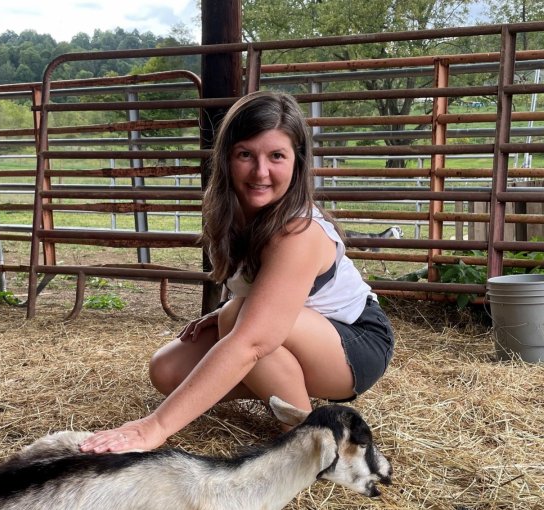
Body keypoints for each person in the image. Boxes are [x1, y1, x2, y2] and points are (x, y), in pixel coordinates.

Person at [80, 90, 394, 454]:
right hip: (300, 331)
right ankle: (280, 387)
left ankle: (310, 441)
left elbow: (253, 340)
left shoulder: (299, 232)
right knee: (167, 370)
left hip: (356, 344)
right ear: (227, 158)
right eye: (246, 155)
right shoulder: (231, 214)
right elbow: (255, 293)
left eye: (277, 156)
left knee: (241, 324)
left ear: (297, 161)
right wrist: (221, 317)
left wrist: (156, 427)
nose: (261, 172)